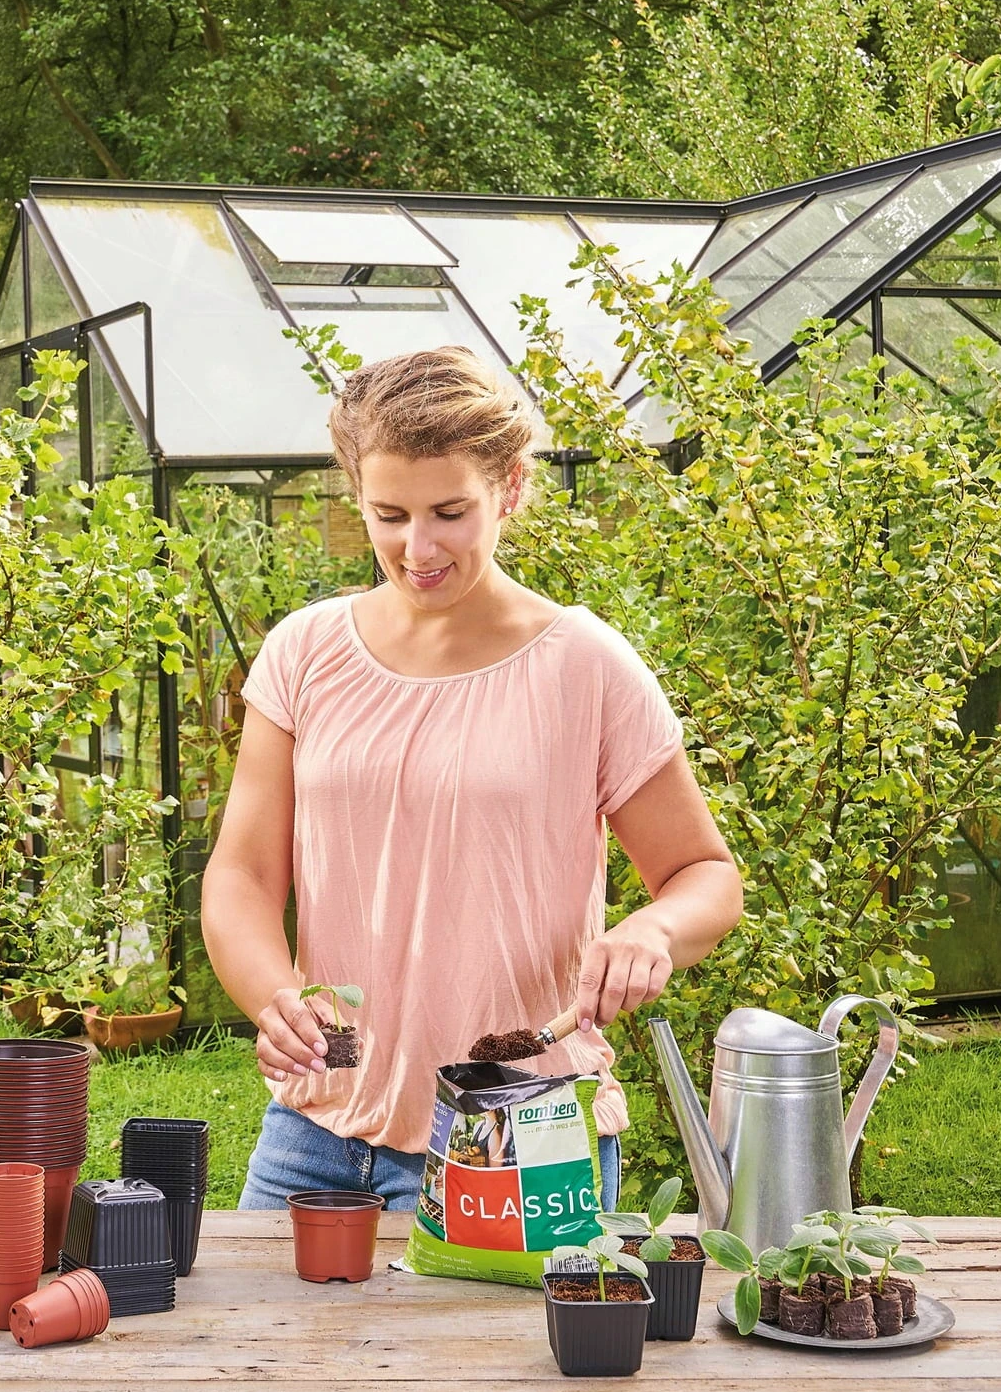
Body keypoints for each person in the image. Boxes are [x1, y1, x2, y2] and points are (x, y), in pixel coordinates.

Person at [201, 347, 743, 1211]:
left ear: (511, 488)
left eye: (449, 512)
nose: (416, 549)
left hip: (519, 1128)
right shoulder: (304, 653)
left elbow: (704, 875)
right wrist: (278, 1001)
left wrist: (654, 929)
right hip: (314, 1135)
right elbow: (243, 875)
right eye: (389, 515)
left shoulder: (585, 666)